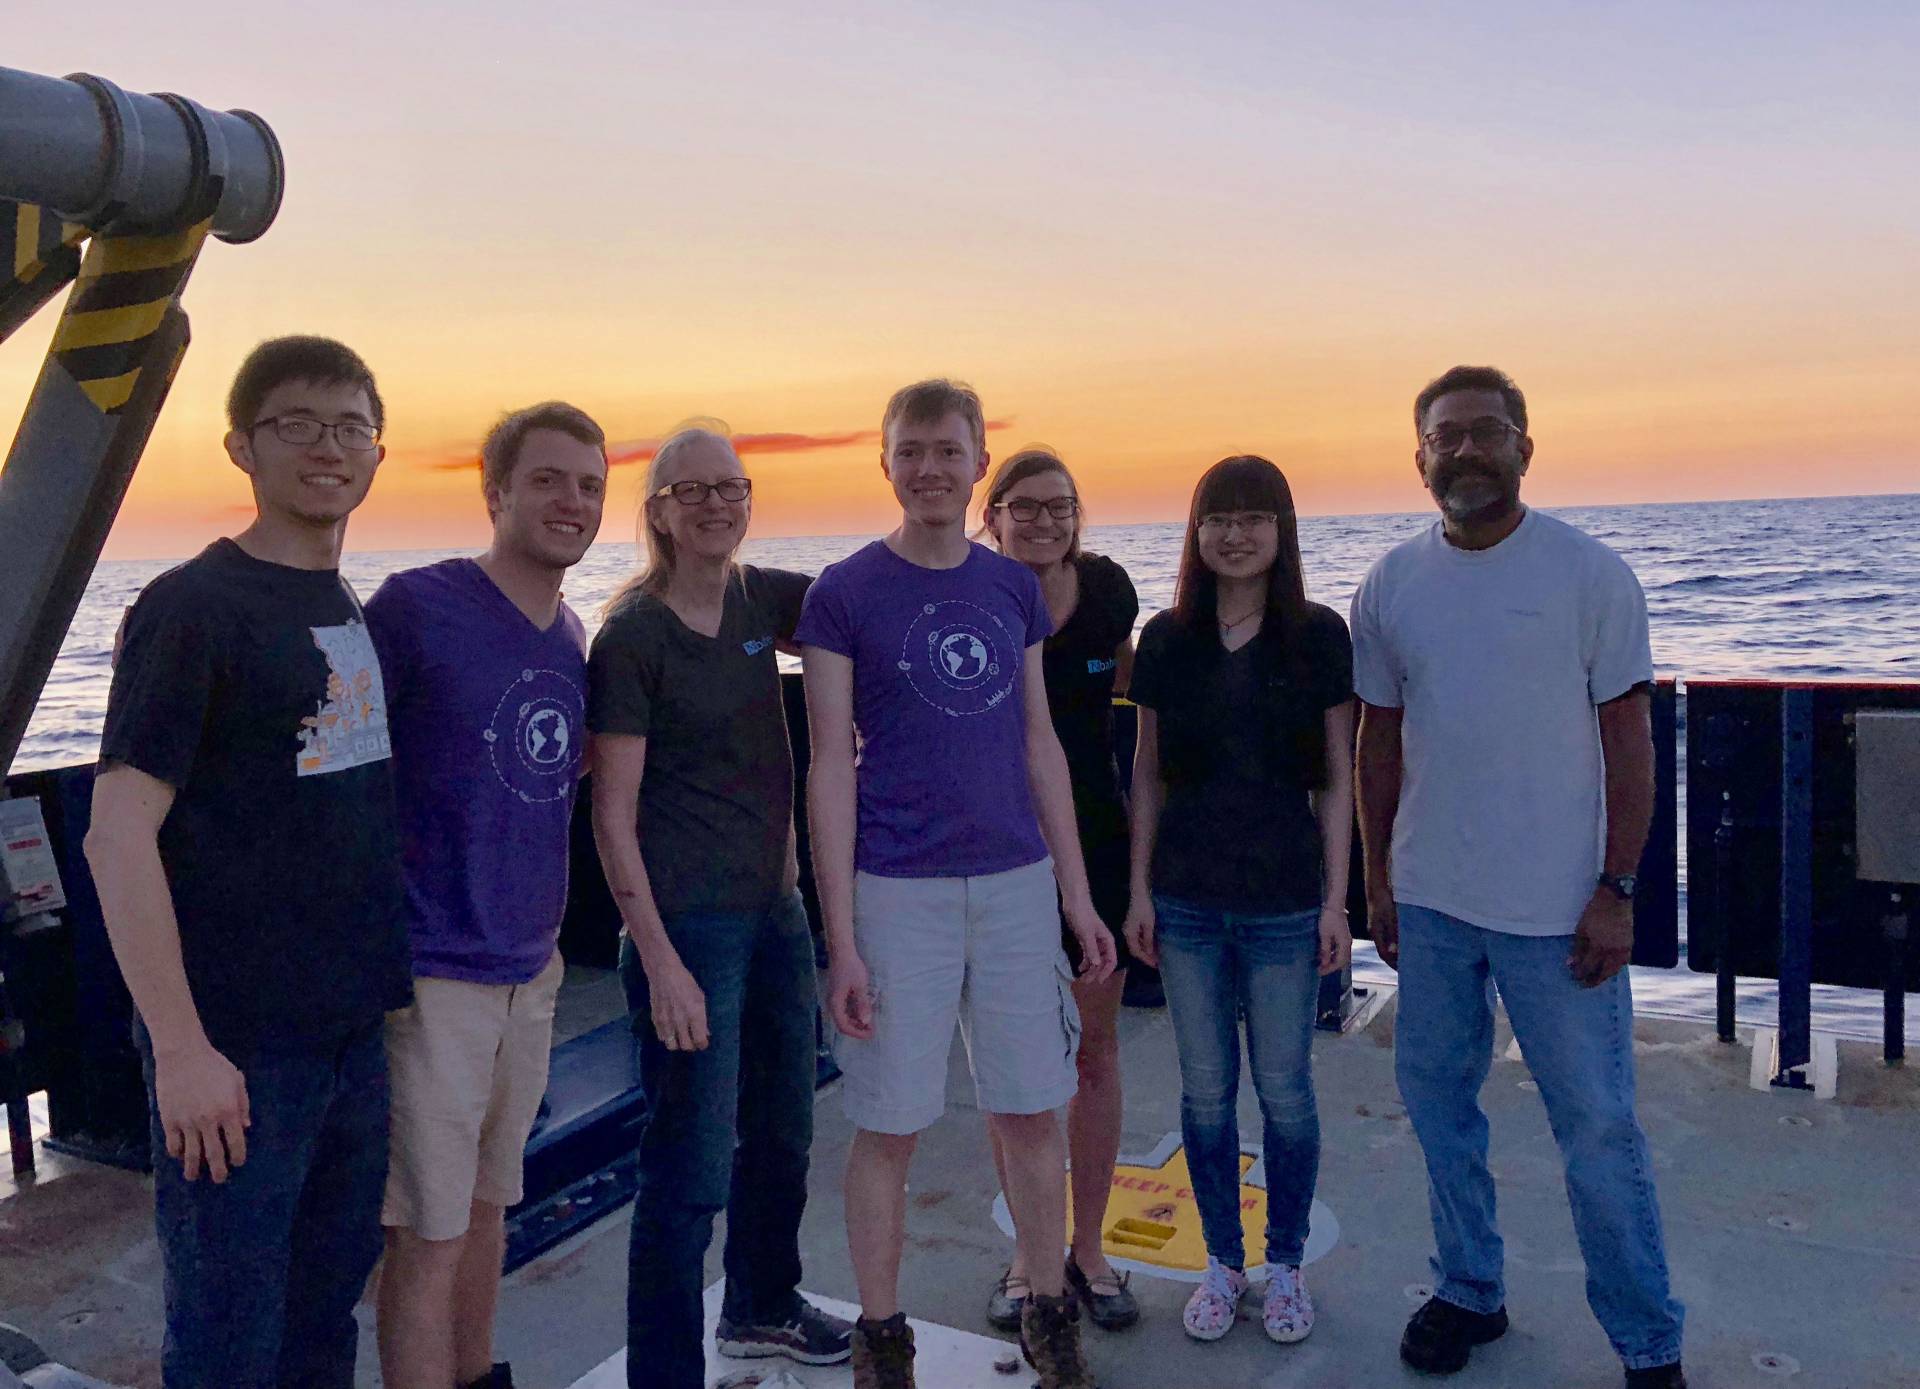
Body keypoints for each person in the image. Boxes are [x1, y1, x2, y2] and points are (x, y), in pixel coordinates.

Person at [84, 336, 410, 1389]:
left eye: (350, 426)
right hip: (239, 1052)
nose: (328, 446)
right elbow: (116, 830)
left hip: (350, 1036)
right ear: (242, 446)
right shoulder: (192, 609)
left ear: (377, 450)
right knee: (229, 1338)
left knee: (323, 1321)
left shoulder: (339, 602)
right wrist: (180, 1050)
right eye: (297, 425)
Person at [1352, 366, 1685, 1388]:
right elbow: (1379, 742)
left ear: (1525, 447)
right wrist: (1378, 882)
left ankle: (1647, 1340)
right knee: (1442, 1108)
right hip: (1434, 904)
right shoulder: (1391, 584)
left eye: (1486, 432)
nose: (1466, 452)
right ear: (1419, 461)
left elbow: (1630, 743)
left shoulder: (1589, 576)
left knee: (1597, 1127)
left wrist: (1617, 889)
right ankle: (1469, 1290)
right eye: (1445, 438)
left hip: (1559, 914)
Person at [796, 380, 1116, 1389]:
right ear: (884, 463)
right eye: (910, 451)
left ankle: (1048, 1309)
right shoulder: (842, 594)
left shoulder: (1011, 588)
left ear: (980, 463)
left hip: (1017, 888)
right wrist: (841, 936)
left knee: (1031, 1113)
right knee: (888, 1124)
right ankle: (883, 1339)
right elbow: (825, 768)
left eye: (948, 451)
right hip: (897, 893)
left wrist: (1077, 895)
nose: (929, 469)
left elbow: (1039, 742)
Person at [587, 425, 850, 1389]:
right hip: (686, 930)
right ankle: (665, 1373)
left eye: (728, 487)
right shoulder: (632, 637)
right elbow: (611, 815)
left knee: (785, 1132)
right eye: (687, 489)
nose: (712, 505)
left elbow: (869, 605)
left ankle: (760, 1305)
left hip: (779, 915)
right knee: (690, 1169)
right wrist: (657, 960)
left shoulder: (761, 599)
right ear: (655, 510)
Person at [367, 402, 608, 1389]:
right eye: (549, 479)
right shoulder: (415, 608)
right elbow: (339, 776)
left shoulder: (569, 634)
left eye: (591, 486)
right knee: (423, 1233)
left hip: (530, 970)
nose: (573, 501)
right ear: (496, 490)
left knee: (484, 1212)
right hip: (434, 977)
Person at [1122, 455, 1354, 1347]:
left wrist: (1338, 901)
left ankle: (1284, 1262)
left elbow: (1335, 779)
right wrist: (1139, 889)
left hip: (1286, 903)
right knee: (1207, 1092)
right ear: (1195, 529)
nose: (1236, 533)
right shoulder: (1167, 637)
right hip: (1184, 900)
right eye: (1220, 516)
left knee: (1287, 1091)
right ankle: (1224, 1260)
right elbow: (1145, 771)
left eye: (1256, 517)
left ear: (1283, 530)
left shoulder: (1319, 635)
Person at [976, 448, 1140, 1334]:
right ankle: (1025, 1254)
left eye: (1060, 507)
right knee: (1017, 1074)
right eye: (1024, 507)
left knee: (1094, 1052)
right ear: (991, 514)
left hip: (1100, 853)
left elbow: (1120, 681)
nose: (1042, 522)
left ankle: (1088, 1249)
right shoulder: (968, 594)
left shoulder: (1109, 591)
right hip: (1000, 857)